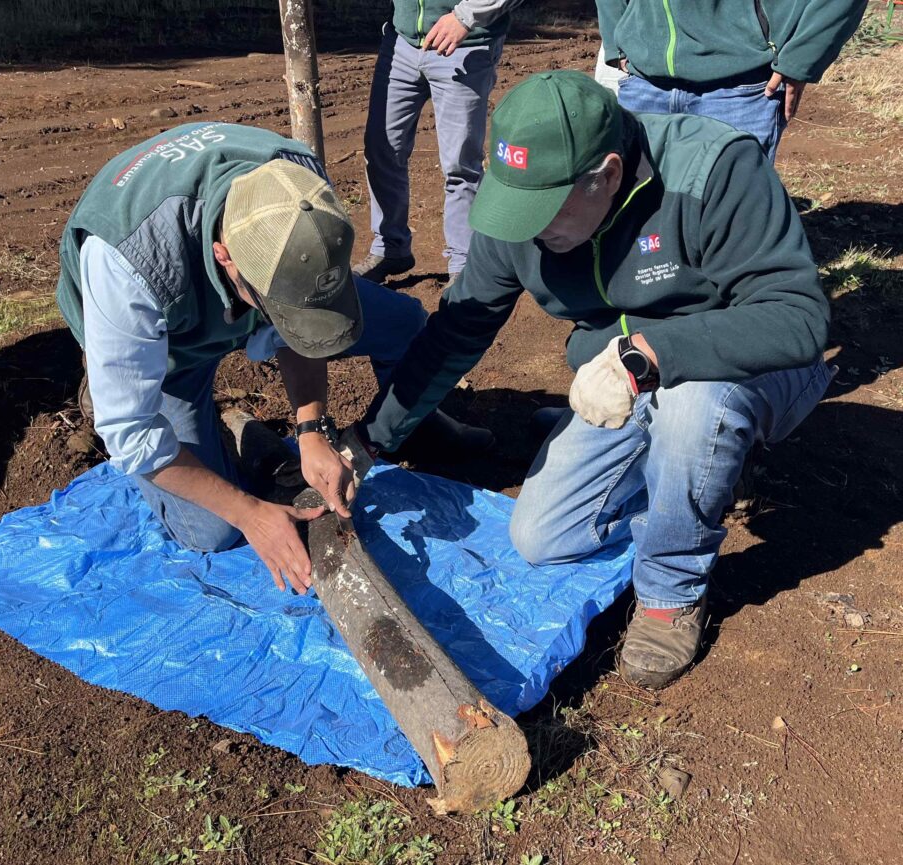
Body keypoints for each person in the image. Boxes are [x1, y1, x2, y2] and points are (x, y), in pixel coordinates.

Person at [356, 72, 833, 689]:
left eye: (542, 210)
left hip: (742, 362)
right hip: (627, 371)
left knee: (695, 408)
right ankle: (676, 458)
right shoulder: (519, 211)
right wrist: (371, 439)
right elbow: (456, 331)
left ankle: (672, 590)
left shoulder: (714, 170)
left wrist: (648, 352)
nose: (524, 228)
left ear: (607, 175)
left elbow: (799, 319)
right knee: (540, 537)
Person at [56, 122, 489, 596]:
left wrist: (311, 432)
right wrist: (250, 513)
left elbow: (300, 329)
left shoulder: (298, 190)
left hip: (239, 296)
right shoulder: (129, 261)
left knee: (403, 325)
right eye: (275, 307)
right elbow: (132, 433)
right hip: (169, 344)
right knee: (212, 531)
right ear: (226, 258)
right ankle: (199, 414)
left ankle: (416, 427)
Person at [352, 0, 522, 286]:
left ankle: (465, 264)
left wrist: (465, 17)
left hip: (465, 44)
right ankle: (390, 247)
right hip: (401, 43)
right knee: (382, 149)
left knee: (460, 165)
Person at [596, 0, 866, 161]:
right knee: (643, 219)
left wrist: (803, 56)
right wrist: (617, 39)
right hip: (644, 82)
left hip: (741, 85)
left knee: (735, 220)